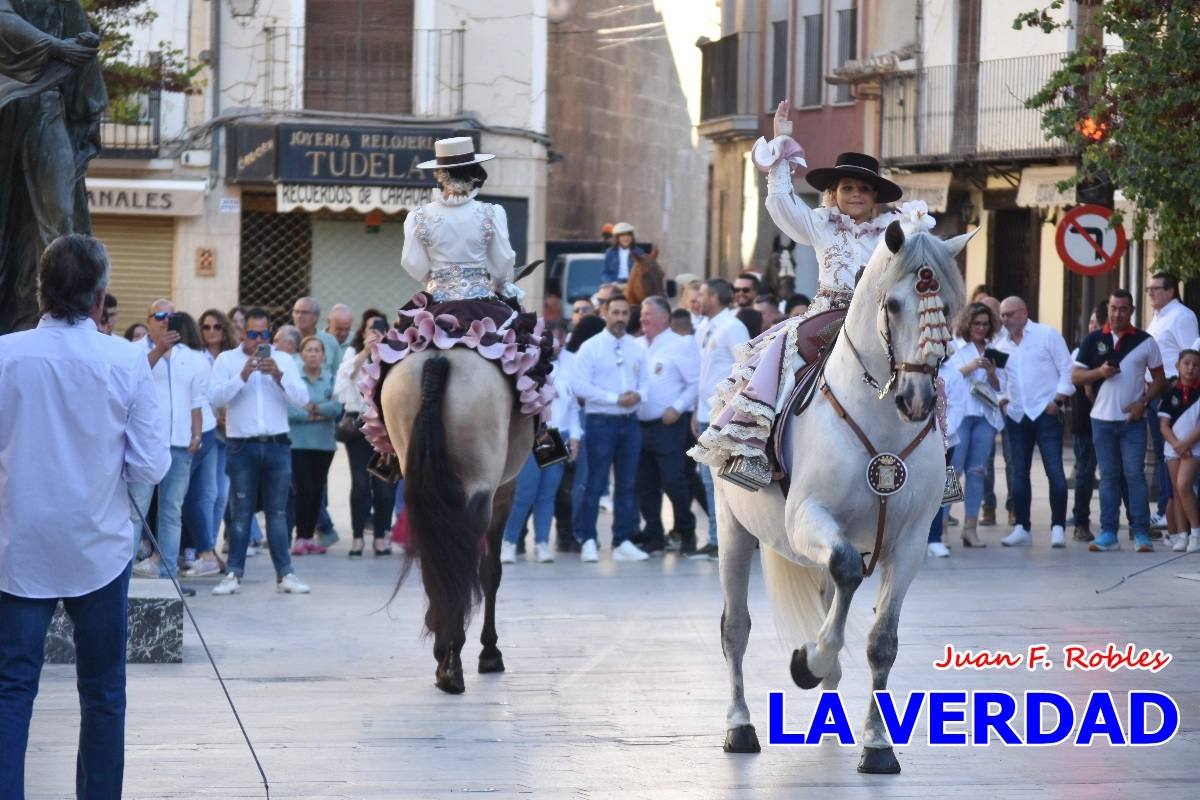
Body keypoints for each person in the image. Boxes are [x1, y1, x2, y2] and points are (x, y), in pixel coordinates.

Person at [0, 234, 169, 798]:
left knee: (10, 690)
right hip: (98, 550)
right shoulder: (125, 360)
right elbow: (149, 466)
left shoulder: (5, 356)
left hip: (15, 549)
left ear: (40, 291)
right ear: (100, 299)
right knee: (102, 693)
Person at [689, 99, 915, 488]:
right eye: (848, 188)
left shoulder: (897, 229)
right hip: (830, 314)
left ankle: (937, 463)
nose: (856, 194)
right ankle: (756, 451)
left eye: (864, 189)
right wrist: (781, 148)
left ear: (875, 196)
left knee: (924, 367)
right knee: (783, 358)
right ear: (834, 193)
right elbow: (779, 204)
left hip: (881, 318)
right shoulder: (821, 225)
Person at [0, 1, 104, 334]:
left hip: (48, 106)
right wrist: (58, 47)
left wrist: (85, 47)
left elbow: (80, 39)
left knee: (60, 217)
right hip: (6, 107)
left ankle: (59, 318)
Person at [208, 308, 312, 595]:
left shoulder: (283, 360)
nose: (257, 340)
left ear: (270, 334)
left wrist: (278, 376)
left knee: (278, 513)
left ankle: (285, 574)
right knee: (240, 512)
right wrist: (241, 376)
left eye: (263, 335)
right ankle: (233, 574)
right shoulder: (227, 360)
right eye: (252, 334)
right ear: (242, 333)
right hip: (242, 445)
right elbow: (214, 397)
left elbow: (302, 399)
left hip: (277, 443)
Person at [1073, 289, 1166, 553]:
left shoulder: (1146, 341)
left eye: (1123, 309)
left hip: (1131, 421)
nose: (1117, 313)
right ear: (1108, 309)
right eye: (1113, 308)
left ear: (1132, 310)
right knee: (1109, 477)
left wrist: (1143, 403)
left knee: (1134, 475)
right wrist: (1099, 372)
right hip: (1101, 420)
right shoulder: (1092, 340)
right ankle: (1108, 533)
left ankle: (1140, 532)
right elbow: (1076, 377)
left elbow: (1159, 379)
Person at [130, 299, 207, 581]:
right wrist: (159, 350)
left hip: (180, 444)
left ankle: (168, 576)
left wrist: (197, 433)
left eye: (172, 315)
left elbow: (196, 400)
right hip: (145, 445)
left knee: (171, 511)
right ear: (149, 319)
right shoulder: (134, 352)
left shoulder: (191, 356)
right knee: (136, 512)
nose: (166, 320)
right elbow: (130, 381)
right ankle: (122, 580)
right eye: (160, 315)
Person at [571, 294, 650, 562]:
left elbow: (646, 381)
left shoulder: (637, 347)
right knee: (594, 482)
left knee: (627, 484)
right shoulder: (591, 347)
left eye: (624, 313)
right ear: (605, 313)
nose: (620, 319)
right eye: (615, 312)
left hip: (629, 423)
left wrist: (638, 395)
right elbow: (579, 386)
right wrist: (614, 398)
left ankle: (622, 539)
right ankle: (588, 538)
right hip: (601, 421)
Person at [993, 296, 1075, 547]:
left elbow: (1067, 369)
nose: (1004, 319)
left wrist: (1058, 401)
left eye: (1009, 314)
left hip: (1046, 413)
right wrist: (1003, 401)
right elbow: (997, 379)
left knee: (1054, 471)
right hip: (1017, 415)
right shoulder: (1000, 344)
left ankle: (1058, 527)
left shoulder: (1046, 335)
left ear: (1024, 312)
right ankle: (1022, 526)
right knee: (1019, 473)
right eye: (1002, 315)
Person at [500, 326, 582, 564]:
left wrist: (575, 437)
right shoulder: (528, 370)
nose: (552, 347)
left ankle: (542, 542)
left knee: (547, 494)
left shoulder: (567, 371)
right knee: (524, 493)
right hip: (535, 434)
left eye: (555, 343)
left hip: (557, 437)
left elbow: (573, 408)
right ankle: (510, 541)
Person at [632, 296, 699, 555]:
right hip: (639, 425)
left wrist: (678, 407)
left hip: (668, 425)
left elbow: (695, 383)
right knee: (644, 484)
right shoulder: (637, 345)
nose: (642, 319)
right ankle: (654, 534)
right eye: (641, 315)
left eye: (648, 315)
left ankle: (686, 530)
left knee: (674, 480)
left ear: (664, 317)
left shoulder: (680, 344)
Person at [689, 278, 750, 557]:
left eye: (701, 293)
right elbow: (703, 374)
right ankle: (716, 537)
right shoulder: (705, 326)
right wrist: (695, 409)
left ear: (714, 296)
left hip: (722, 415)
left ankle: (723, 540)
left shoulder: (733, 326)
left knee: (721, 479)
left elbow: (745, 369)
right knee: (706, 479)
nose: (697, 299)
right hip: (705, 412)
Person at [334, 309, 396, 556]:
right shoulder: (352, 353)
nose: (374, 333)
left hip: (386, 428)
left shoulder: (394, 354)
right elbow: (343, 382)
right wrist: (366, 351)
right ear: (362, 331)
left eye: (379, 328)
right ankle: (358, 537)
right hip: (358, 426)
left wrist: (383, 351)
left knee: (383, 484)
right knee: (360, 484)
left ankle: (381, 536)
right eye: (370, 328)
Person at [945, 303, 1005, 548]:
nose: (981, 328)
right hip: (960, 417)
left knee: (977, 472)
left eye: (985, 324)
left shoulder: (994, 350)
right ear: (967, 323)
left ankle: (970, 529)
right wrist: (968, 368)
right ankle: (938, 528)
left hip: (984, 417)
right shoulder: (954, 347)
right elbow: (944, 380)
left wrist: (991, 374)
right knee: (952, 472)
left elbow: (1001, 388)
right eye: (976, 323)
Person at [1145, 273, 1198, 529]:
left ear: (1170, 291)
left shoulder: (1182, 316)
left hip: (1174, 393)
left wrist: (1180, 388)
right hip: (1156, 392)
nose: (1151, 294)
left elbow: (1190, 356)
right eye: (1148, 289)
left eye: (1155, 289)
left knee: (1176, 453)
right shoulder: (1158, 317)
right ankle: (1168, 509)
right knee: (1164, 453)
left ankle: (1175, 514)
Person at [172, 312, 223, 578]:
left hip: (192, 434)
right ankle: (205, 553)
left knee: (178, 497)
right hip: (208, 430)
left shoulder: (179, 359)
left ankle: (198, 553)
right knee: (199, 496)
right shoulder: (202, 358)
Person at [288, 336, 342, 555]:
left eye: (317, 350)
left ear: (323, 356)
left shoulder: (331, 379)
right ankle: (300, 536)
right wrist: (320, 411)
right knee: (303, 489)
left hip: (323, 444)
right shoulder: (295, 378)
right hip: (298, 443)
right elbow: (291, 410)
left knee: (317, 491)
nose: (312, 354)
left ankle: (310, 537)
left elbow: (337, 408)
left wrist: (311, 409)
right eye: (308, 350)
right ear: (302, 354)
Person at [558, 314, 607, 553]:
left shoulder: (566, 358)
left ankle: (566, 534)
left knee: (563, 484)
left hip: (561, 427)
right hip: (575, 425)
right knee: (571, 483)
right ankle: (570, 533)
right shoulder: (576, 358)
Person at [1069, 303, 1106, 542]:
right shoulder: (1081, 351)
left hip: (1110, 418)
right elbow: (1075, 376)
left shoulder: (1111, 348)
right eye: (1090, 322)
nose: (1091, 327)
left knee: (1118, 474)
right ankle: (1081, 521)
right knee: (1085, 472)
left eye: (1096, 323)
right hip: (1085, 422)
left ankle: (1134, 522)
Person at [1159, 350, 1200, 553]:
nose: (1191, 368)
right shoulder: (1171, 393)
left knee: (1184, 485)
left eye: (1195, 365)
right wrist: (1176, 444)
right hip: (1173, 449)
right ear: (1177, 366)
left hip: (1194, 449)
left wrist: (1186, 445)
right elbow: (1164, 424)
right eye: (1187, 363)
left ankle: (1196, 533)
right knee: (1176, 491)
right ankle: (1181, 535)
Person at [291, 296, 341, 375]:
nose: (299, 316)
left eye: (305, 313)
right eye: (296, 312)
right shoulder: (284, 339)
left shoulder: (330, 341)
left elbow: (338, 373)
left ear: (316, 317)